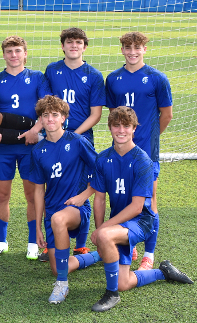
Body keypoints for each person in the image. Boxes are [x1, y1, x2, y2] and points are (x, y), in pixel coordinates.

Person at [90, 107, 192, 312]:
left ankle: (112, 295)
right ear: (109, 128)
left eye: (126, 126)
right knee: (124, 282)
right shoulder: (102, 159)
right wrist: (100, 230)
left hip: (142, 221)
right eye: (116, 125)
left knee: (106, 237)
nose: (121, 130)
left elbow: (137, 208)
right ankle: (163, 272)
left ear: (134, 129)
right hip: (118, 222)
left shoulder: (143, 160)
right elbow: (99, 199)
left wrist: (103, 231)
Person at [105, 31, 173, 271]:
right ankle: (129, 241)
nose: (132, 52)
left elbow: (167, 115)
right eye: (127, 47)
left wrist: (149, 137)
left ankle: (149, 255)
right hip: (121, 151)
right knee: (123, 198)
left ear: (145, 49)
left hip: (146, 151)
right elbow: (115, 117)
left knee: (149, 201)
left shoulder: (157, 78)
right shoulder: (113, 79)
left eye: (137, 47)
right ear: (122, 50)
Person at [30, 95, 101, 304]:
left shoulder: (78, 142)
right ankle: (100, 256)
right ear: (41, 120)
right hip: (51, 212)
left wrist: (84, 195)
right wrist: (37, 228)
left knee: (60, 219)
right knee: (56, 267)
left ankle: (62, 284)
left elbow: (100, 171)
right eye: (45, 115)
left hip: (76, 209)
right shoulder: (37, 151)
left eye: (55, 114)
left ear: (63, 118)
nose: (50, 119)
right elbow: (38, 191)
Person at [0, 35, 51, 260]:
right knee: (2, 194)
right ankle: (1, 241)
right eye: (9, 51)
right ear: (3, 55)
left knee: (32, 196)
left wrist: (36, 130)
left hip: (30, 146)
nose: (13, 55)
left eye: (17, 51)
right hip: (4, 146)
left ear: (25, 53)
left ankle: (33, 242)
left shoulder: (37, 78)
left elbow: (46, 108)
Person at [43, 27, 105, 259]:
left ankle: (81, 245)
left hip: (81, 139)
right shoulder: (52, 70)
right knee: (55, 183)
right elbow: (48, 105)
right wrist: (57, 133)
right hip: (53, 137)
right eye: (69, 42)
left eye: (79, 42)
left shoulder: (94, 75)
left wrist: (73, 135)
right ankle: (55, 240)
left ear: (84, 47)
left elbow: (95, 114)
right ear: (63, 46)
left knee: (82, 186)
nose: (74, 46)